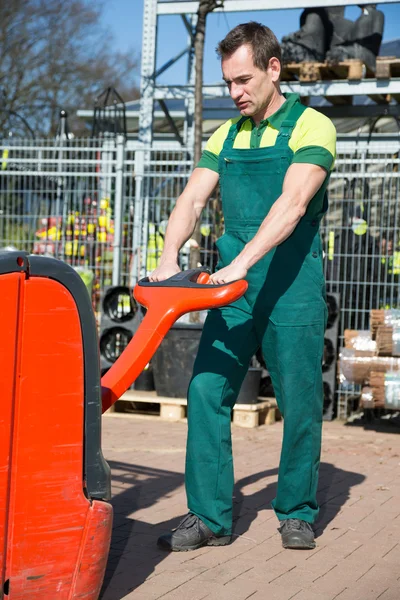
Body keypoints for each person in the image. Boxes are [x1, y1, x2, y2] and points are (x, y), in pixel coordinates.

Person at [150, 22, 336, 551]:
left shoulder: (312, 127)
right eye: (228, 82)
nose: (235, 93)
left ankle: (297, 510)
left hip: (292, 286)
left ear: (274, 69)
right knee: (207, 390)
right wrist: (167, 259)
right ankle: (209, 516)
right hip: (234, 295)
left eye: (244, 80)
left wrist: (243, 263)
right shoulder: (225, 135)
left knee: (299, 402)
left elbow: (293, 205)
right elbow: (191, 200)